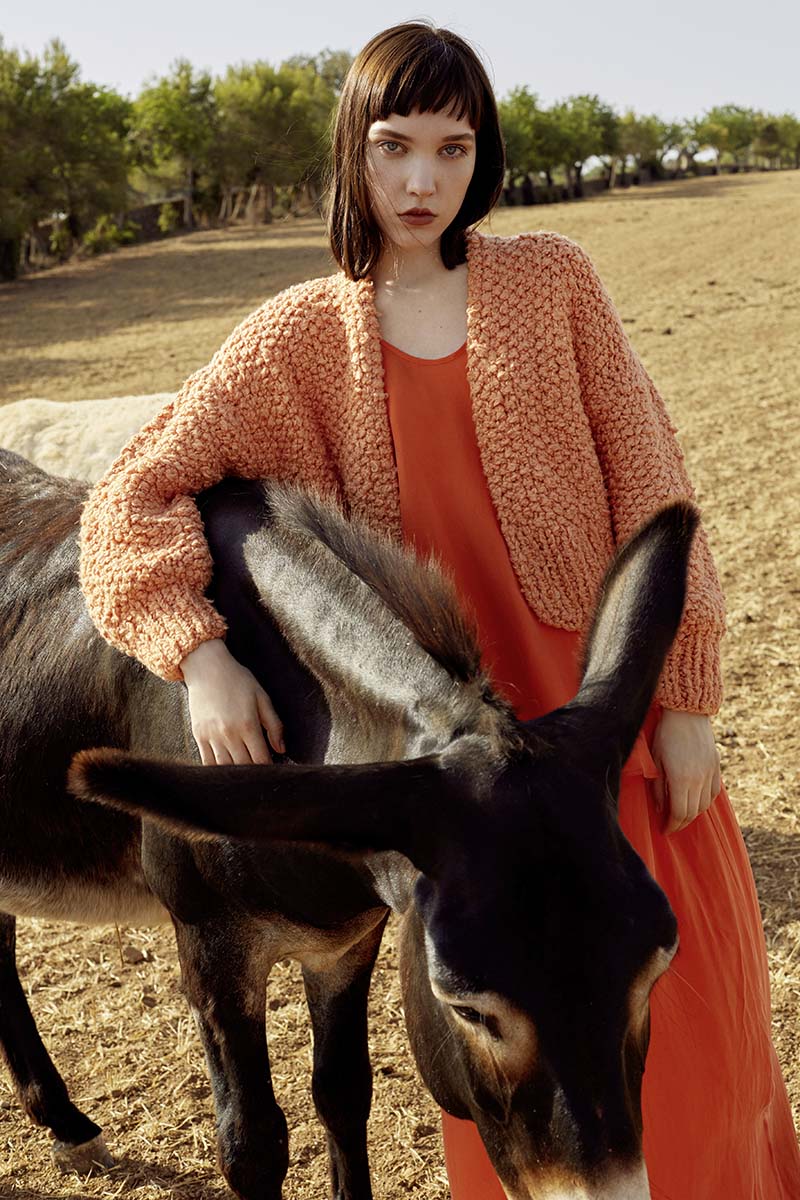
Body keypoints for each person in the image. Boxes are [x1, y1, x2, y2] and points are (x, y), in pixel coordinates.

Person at [79, 21, 800, 1199]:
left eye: (452, 149)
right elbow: (130, 497)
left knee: (687, 1041)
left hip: (597, 718)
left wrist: (681, 697)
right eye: (394, 145)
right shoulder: (296, 335)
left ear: (483, 156)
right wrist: (198, 656)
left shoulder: (554, 280)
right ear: (350, 153)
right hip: (453, 773)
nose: (422, 180)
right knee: (511, 1049)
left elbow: (654, 485)